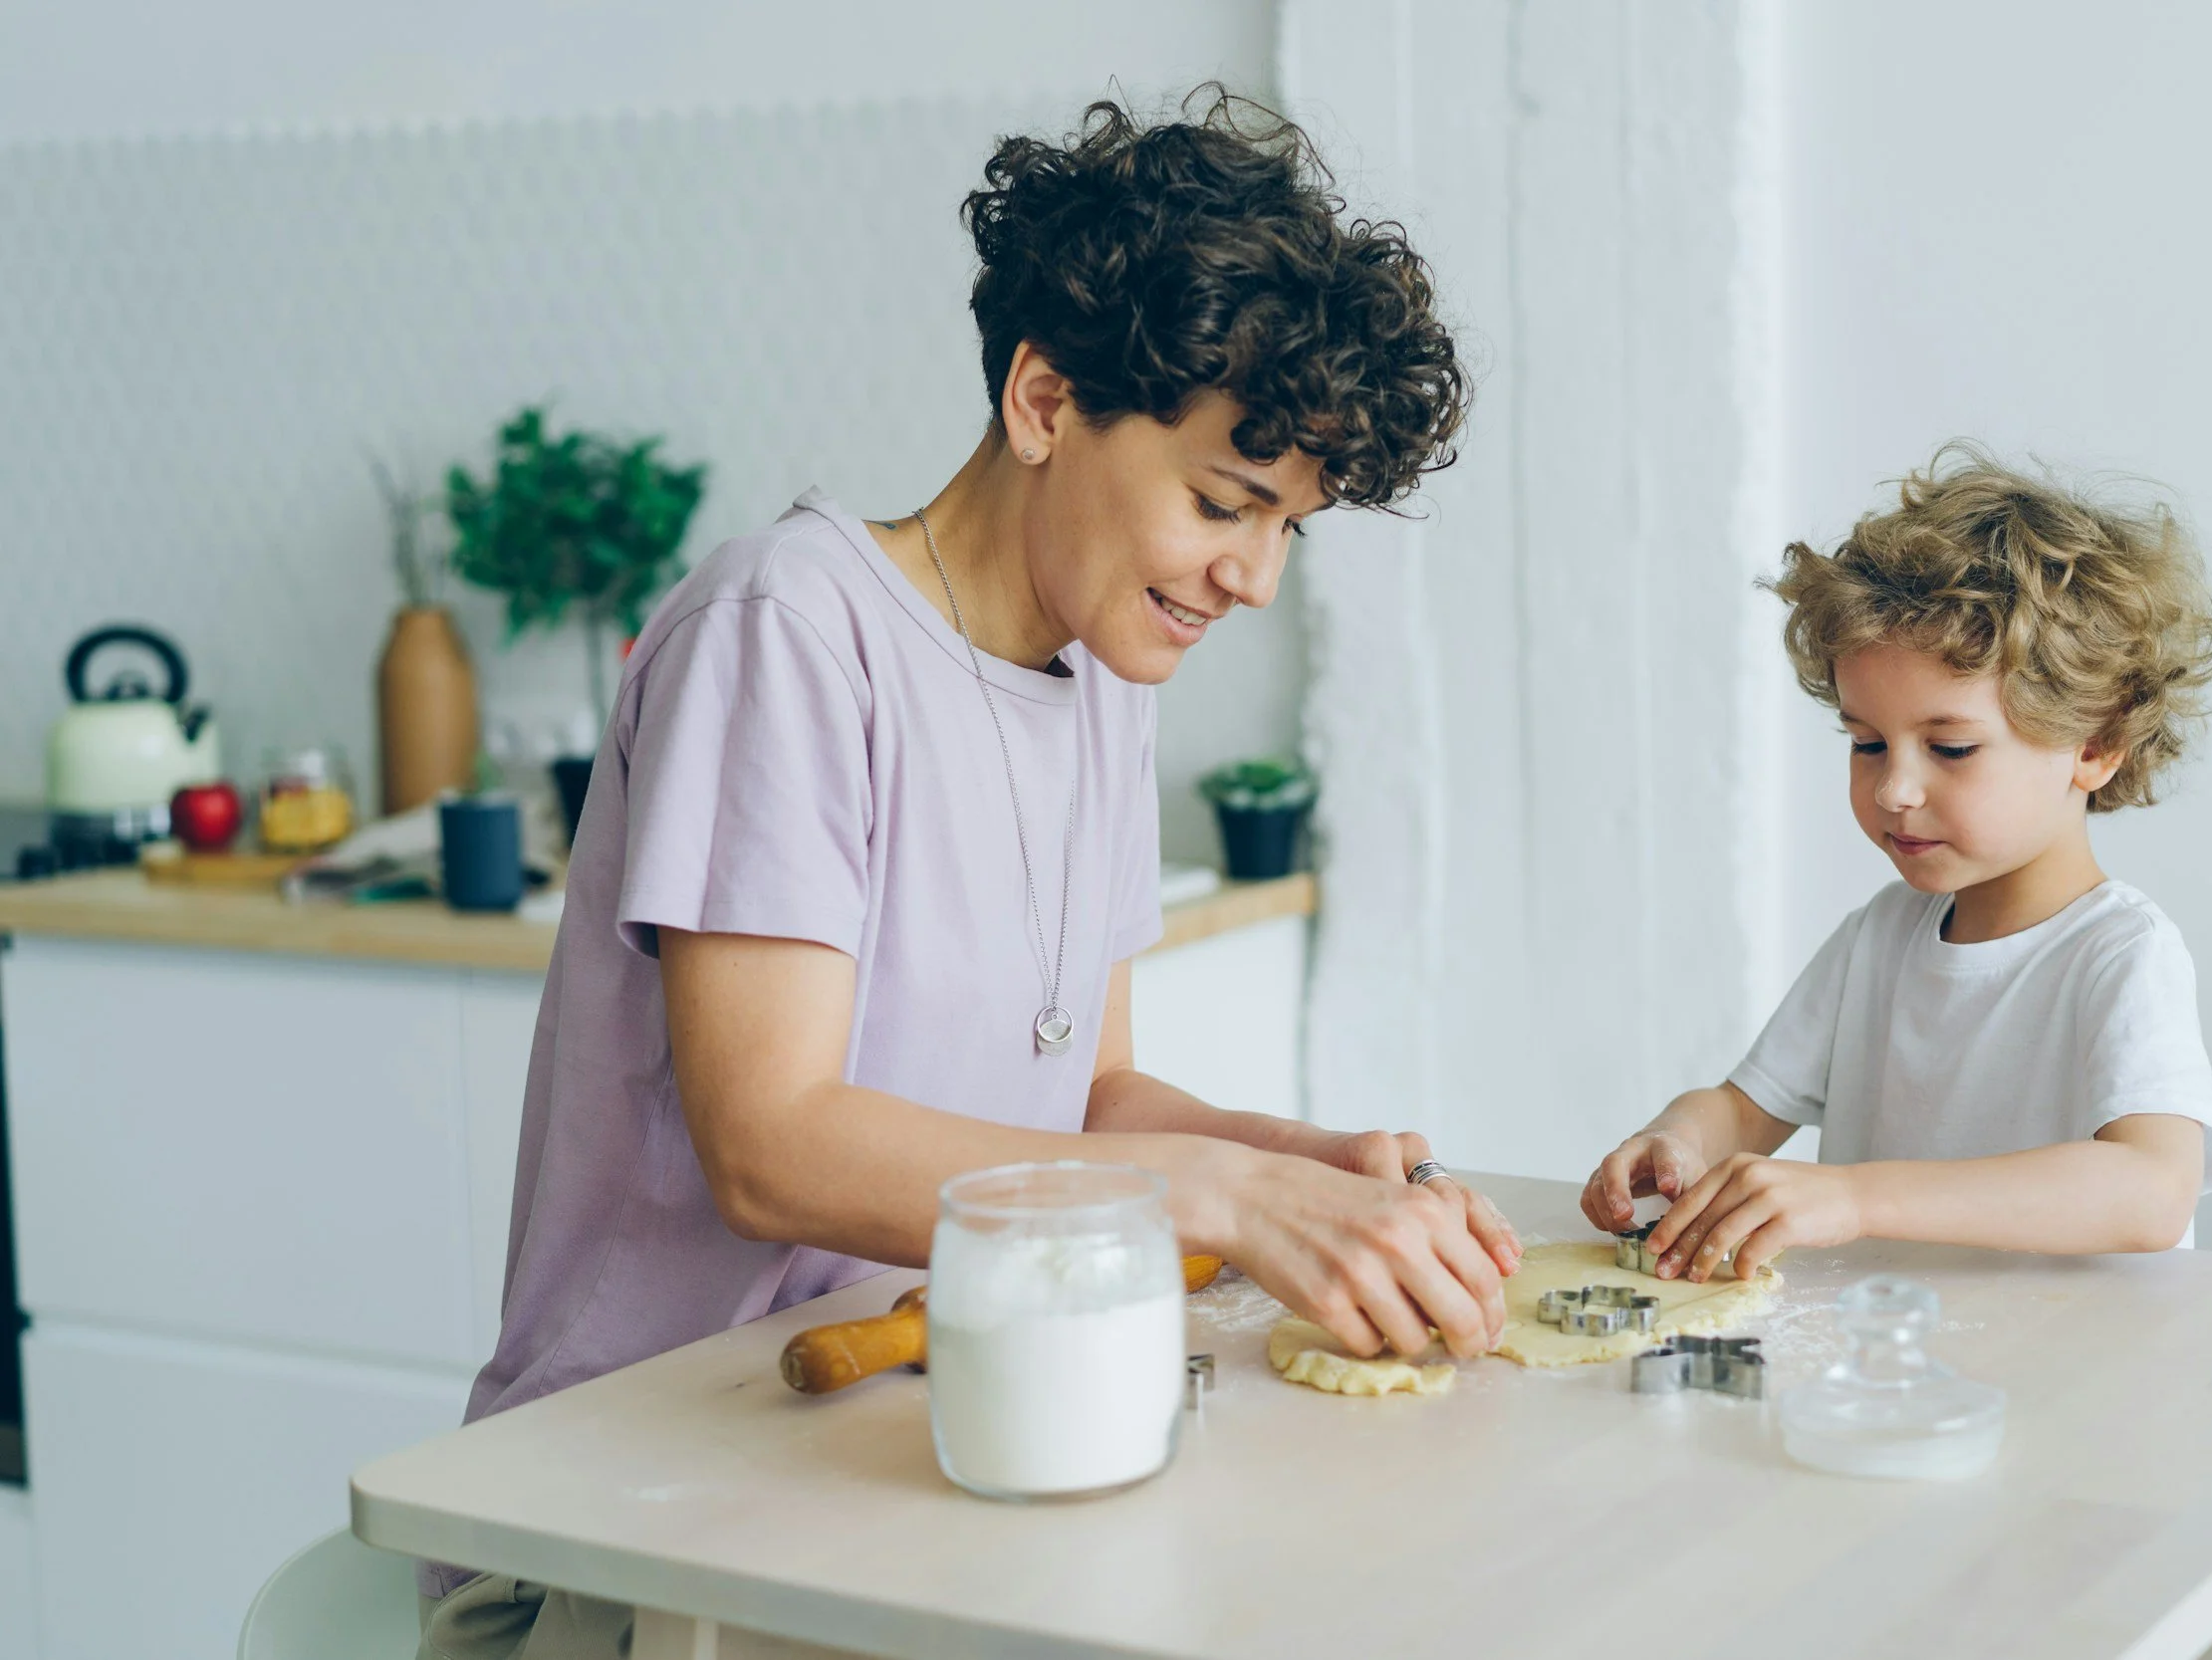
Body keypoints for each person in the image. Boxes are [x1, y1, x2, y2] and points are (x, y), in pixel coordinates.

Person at [418, 90, 1516, 1660]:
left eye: (1291, 531)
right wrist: (1224, 1195)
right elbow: (775, 1143)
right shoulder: (788, 633)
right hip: (635, 1515)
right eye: (1223, 503)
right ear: (1045, 398)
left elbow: (1090, 1106)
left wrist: (1304, 1163)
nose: (1254, 579)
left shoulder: (1107, 685)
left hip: (896, 1449)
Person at [1581, 445, 2212, 1282]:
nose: (1894, 787)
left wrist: (1856, 1197)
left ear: (2097, 743)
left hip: (2085, 1390)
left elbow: (2151, 1191)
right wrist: (1678, 1140)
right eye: (1865, 742)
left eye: (1951, 747)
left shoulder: (2120, 953)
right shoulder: (1880, 939)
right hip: (1905, 1374)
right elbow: (1745, 1109)